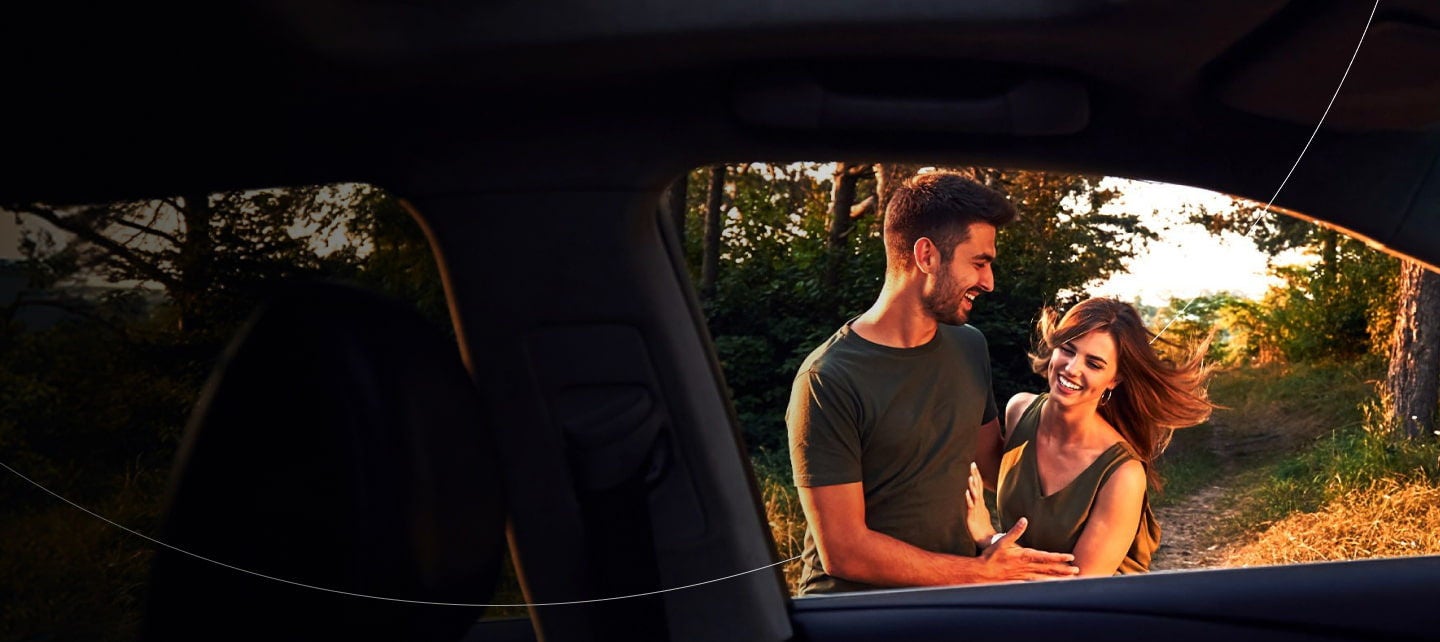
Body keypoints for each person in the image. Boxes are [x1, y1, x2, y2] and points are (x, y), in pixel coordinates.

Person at [786, 171, 1078, 595]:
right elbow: (844, 550)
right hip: (853, 612)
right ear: (927, 255)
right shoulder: (827, 380)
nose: (989, 282)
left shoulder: (969, 346)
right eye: (979, 262)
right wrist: (982, 573)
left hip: (952, 598)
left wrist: (1086, 433)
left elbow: (993, 468)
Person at [963, 297, 1216, 576]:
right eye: (1068, 350)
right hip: (1023, 602)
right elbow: (1000, 479)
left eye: (1094, 364)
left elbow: (1078, 588)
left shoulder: (1123, 474)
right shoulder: (1019, 411)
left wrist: (989, 538)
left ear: (1114, 379)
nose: (1072, 368)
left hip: (1097, 613)